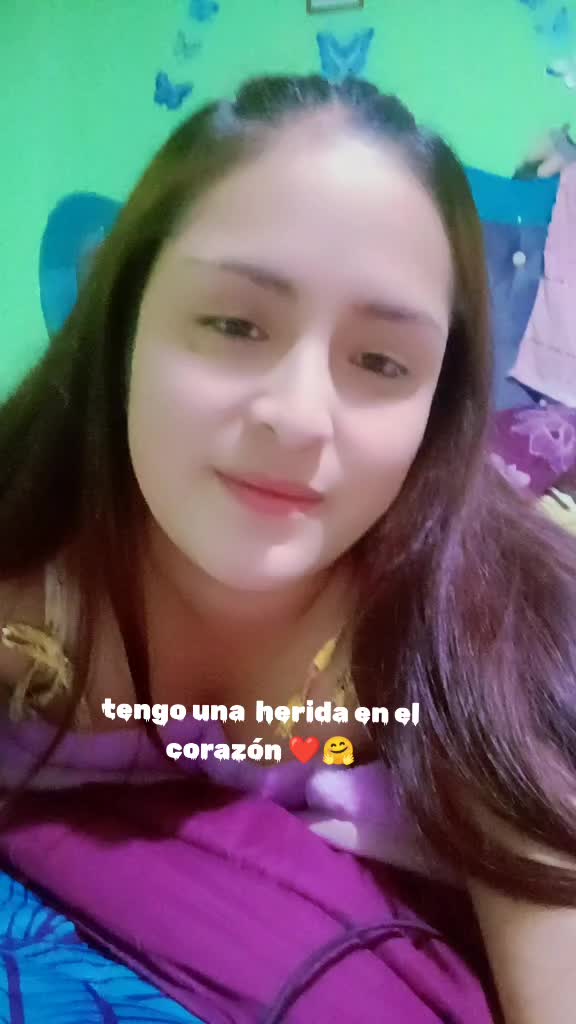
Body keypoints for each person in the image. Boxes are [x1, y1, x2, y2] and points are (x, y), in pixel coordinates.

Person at [0, 74, 575, 1023]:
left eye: (382, 361)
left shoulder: (486, 637)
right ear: (125, 317)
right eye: (234, 324)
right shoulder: (30, 593)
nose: (301, 416)